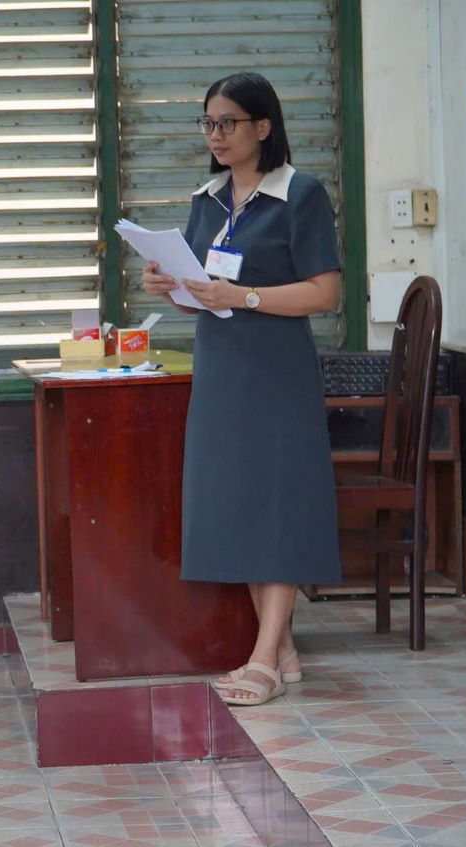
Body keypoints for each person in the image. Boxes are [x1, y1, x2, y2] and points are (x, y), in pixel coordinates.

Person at [141, 72, 342, 707]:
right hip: (221, 370)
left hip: (277, 371)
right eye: (208, 122)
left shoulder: (300, 194)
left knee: (276, 505)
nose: (216, 134)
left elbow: (324, 292)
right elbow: (206, 294)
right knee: (242, 504)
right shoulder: (207, 199)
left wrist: (245, 295)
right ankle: (282, 649)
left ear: (263, 126)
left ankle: (263, 661)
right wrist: (171, 288)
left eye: (228, 122)